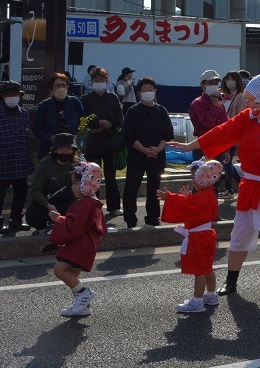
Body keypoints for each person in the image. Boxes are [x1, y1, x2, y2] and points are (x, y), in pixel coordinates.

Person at [171, 73, 260, 297]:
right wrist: (190, 146)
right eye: (249, 101)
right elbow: (224, 131)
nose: (250, 106)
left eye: (255, 101)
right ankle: (231, 281)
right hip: (252, 186)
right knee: (240, 234)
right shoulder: (249, 116)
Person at [160, 159, 223, 313]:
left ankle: (197, 301)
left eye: (196, 178)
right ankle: (211, 295)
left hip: (199, 237)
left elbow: (189, 207)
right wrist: (187, 197)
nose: (194, 182)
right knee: (207, 267)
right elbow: (192, 205)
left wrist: (170, 197)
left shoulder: (203, 195)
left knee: (199, 271)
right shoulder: (209, 193)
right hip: (206, 235)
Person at [49, 162, 107, 318]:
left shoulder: (84, 204)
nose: (72, 187)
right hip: (87, 245)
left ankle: (85, 294)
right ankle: (83, 305)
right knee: (72, 275)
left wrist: (59, 219)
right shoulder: (93, 203)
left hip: (79, 244)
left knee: (59, 270)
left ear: (85, 184)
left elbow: (74, 227)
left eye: (75, 183)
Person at [0, 80, 35, 235]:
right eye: (9, 94)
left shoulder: (24, 114)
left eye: (16, 94)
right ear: (3, 97)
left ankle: (16, 219)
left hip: (20, 161)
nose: (13, 97)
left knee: (21, 191)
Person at [121, 76, 173, 228]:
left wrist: (158, 148)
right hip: (137, 155)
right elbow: (128, 135)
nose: (148, 92)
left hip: (157, 155)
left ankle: (153, 217)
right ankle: (130, 219)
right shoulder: (133, 111)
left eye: (151, 90)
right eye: (145, 90)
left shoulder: (161, 110)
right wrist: (144, 150)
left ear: (155, 92)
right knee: (132, 187)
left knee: (154, 187)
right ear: (139, 93)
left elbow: (168, 134)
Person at [80, 66, 123, 218]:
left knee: (111, 176)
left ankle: (114, 206)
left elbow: (120, 119)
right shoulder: (85, 99)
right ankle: (93, 205)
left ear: (107, 81)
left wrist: (108, 124)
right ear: (91, 82)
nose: (99, 83)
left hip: (110, 143)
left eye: (102, 80)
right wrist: (98, 123)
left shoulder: (113, 98)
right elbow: (83, 119)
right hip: (93, 143)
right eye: (96, 80)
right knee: (92, 175)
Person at [26, 132, 78, 233]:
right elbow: (36, 190)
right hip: (48, 202)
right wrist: (48, 206)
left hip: (68, 201)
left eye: (68, 149)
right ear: (54, 150)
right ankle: (42, 229)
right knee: (32, 214)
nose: (65, 152)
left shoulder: (78, 165)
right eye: (61, 149)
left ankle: (67, 226)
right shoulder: (44, 164)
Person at [190, 69, 230, 189]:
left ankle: (212, 207)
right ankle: (197, 207)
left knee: (215, 182)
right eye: (210, 83)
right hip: (202, 146)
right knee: (200, 180)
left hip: (217, 147)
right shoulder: (198, 103)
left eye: (216, 83)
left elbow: (225, 127)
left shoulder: (220, 104)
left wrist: (227, 149)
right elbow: (208, 123)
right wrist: (213, 105)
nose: (214, 86)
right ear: (203, 85)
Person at [31, 72, 86, 159]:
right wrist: (50, 138)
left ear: (68, 87)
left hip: (72, 150)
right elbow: (36, 128)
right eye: (57, 85)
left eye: (64, 85)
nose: (61, 88)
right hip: (49, 150)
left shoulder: (75, 102)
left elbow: (84, 125)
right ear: (51, 89)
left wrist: (77, 136)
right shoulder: (44, 106)